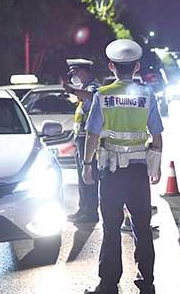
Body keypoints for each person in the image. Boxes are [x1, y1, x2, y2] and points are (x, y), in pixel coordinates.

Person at [82, 39, 163, 294]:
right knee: (142, 227)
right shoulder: (147, 95)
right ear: (137, 67)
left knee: (111, 228)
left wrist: (87, 164)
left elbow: (92, 135)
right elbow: (157, 136)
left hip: (111, 172)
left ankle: (108, 284)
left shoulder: (103, 95)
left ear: (111, 66)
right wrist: (155, 167)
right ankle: (146, 282)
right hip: (138, 172)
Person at [64, 58, 101, 223]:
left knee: (89, 175)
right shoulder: (84, 87)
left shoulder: (94, 86)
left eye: (75, 72)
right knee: (82, 176)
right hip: (80, 138)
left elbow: (93, 96)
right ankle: (83, 209)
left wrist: (72, 90)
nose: (73, 76)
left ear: (84, 71)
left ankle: (91, 212)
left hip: (88, 139)